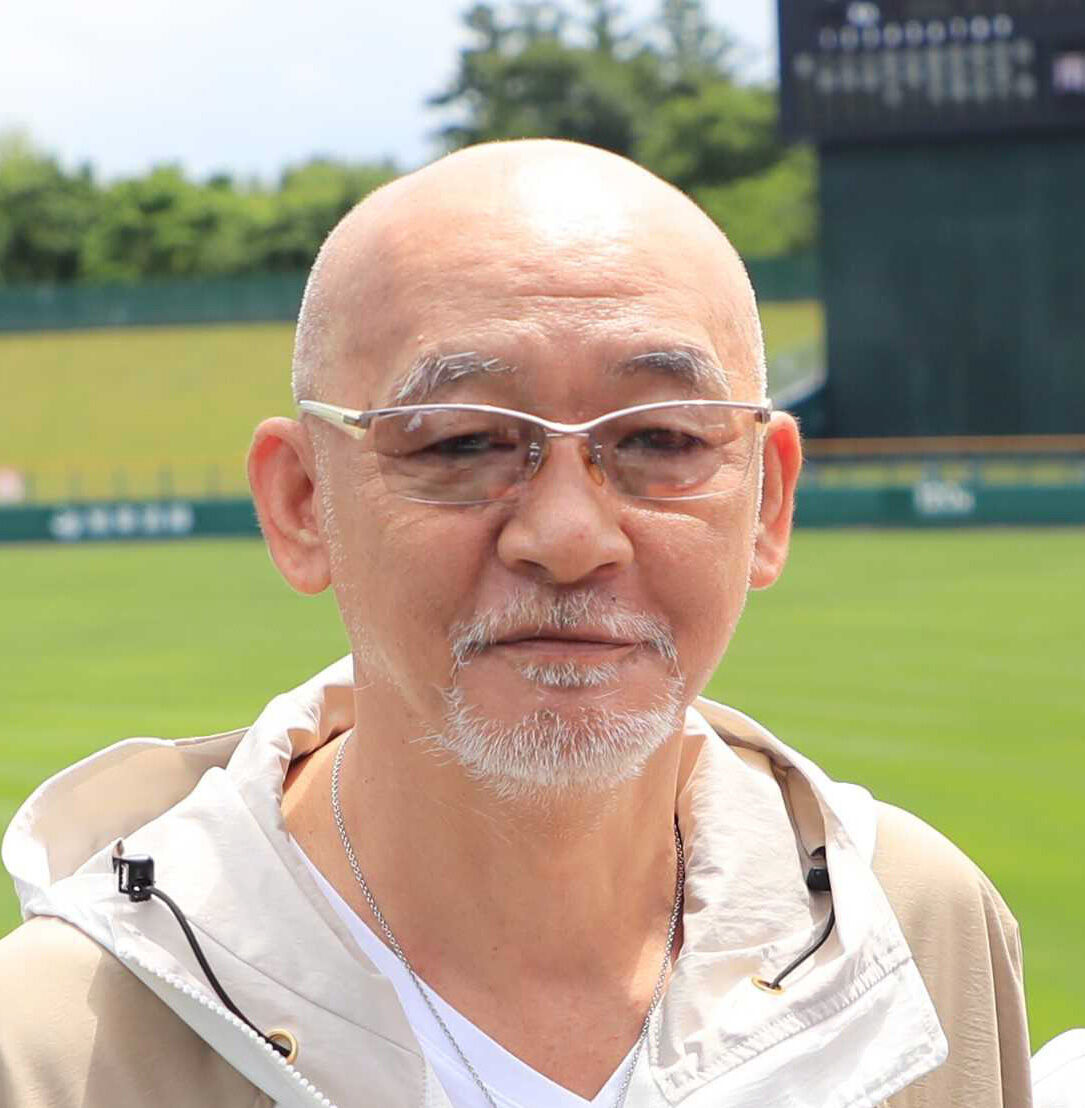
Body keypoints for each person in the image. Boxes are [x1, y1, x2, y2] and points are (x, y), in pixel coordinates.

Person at [0, 140, 1034, 1108]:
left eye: (661, 439)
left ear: (766, 501)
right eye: (459, 442)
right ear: (303, 504)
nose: (569, 536)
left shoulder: (911, 923)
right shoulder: (57, 1045)